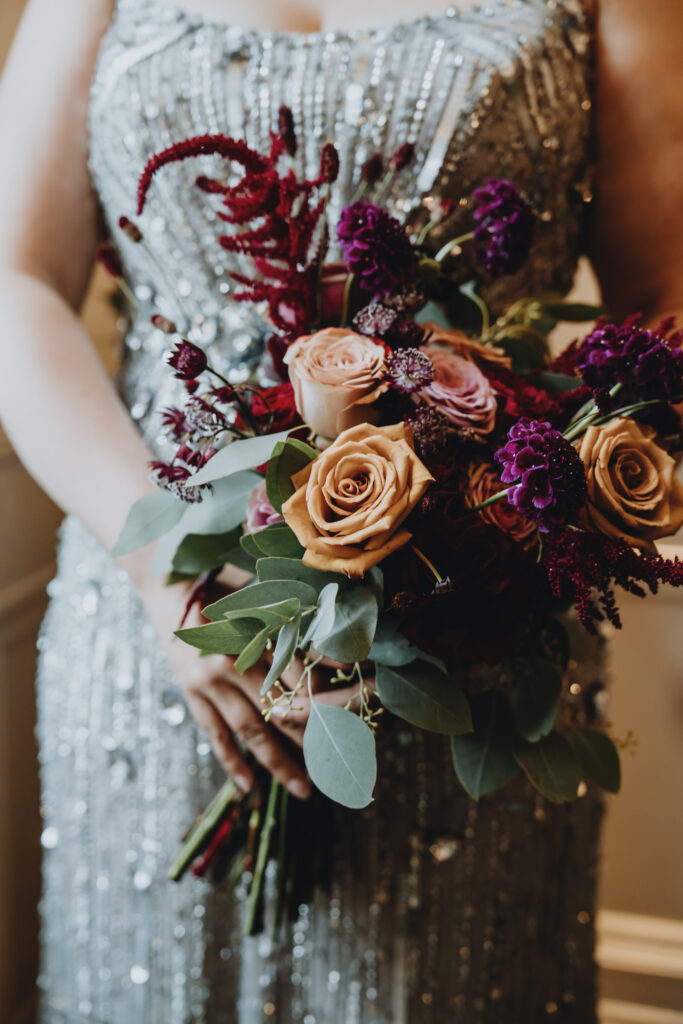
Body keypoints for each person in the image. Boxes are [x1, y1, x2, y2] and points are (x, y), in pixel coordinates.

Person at [0, 0, 680, 1021]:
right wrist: (166, 569)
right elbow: (16, 279)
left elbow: (659, 290)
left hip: (471, 642)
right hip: (160, 628)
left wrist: (496, 488)